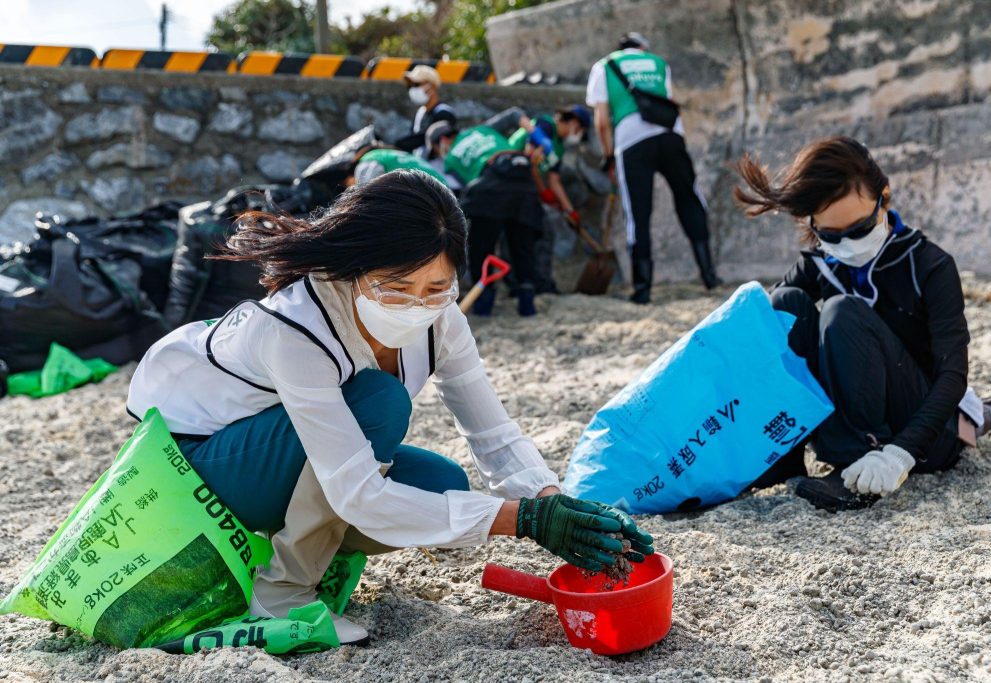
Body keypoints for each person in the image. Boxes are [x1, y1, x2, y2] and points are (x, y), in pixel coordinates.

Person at [126, 171, 654, 644]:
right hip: (195, 465)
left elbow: (492, 433)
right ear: (354, 268)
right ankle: (282, 594)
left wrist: (556, 505)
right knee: (378, 401)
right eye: (395, 287)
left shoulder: (443, 319)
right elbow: (357, 494)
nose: (417, 306)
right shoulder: (293, 328)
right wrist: (528, 521)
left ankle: (307, 552)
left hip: (279, 452)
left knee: (442, 484)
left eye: (436, 287)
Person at [734, 136, 975, 512]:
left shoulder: (930, 266)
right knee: (782, 307)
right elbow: (761, 331)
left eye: (860, 229)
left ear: (884, 198)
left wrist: (900, 453)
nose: (847, 244)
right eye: (830, 234)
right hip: (851, 418)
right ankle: (785, 457)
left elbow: (953, 374)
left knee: (842, 311)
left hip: (923, 435)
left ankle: (860, 461)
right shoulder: (819, 262)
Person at [587, 32, 721, 303]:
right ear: (642, 48)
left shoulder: (604, 66)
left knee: (638, 214)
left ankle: (643, 290)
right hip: (671, 135)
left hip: (631, 140)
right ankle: (709, 276)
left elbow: (601, 121)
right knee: (689, 198)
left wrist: (609, 155)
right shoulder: (658, 62)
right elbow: (668, 100)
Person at [441, 108, 547, 317]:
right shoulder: (482, 130)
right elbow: (515, 114)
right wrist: (536, 134)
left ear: (443, 141)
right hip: (522, 176)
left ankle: (484, 305)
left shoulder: (450, 159)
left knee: (482, 247)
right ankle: (527, 306)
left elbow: (465, 184)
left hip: (490, 187)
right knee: (523, 247)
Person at [509, 105, 593, 293]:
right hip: (511, 177)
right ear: (573, 122)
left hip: (526, 187)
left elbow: (555, 181)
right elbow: (531, 157)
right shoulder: (545, 124)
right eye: (580, 130)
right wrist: (542, 190)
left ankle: (538, 282)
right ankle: (529, 283)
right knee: (535, 232)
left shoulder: (560, 149)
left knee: (541, 234)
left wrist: (569, 210)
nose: (577, 135)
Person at [394, 65, 457, 157]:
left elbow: (425, 139)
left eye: (416, 84)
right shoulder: (420, 113)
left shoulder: (444, 113)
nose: (413, 89)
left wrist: (398, 145)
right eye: (410, 86)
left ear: (432, 86)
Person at [350, 146, 449, 187]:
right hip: (444, 189)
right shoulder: (390, 154)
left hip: (434, 193)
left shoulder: (367, 161)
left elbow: (366, 192)